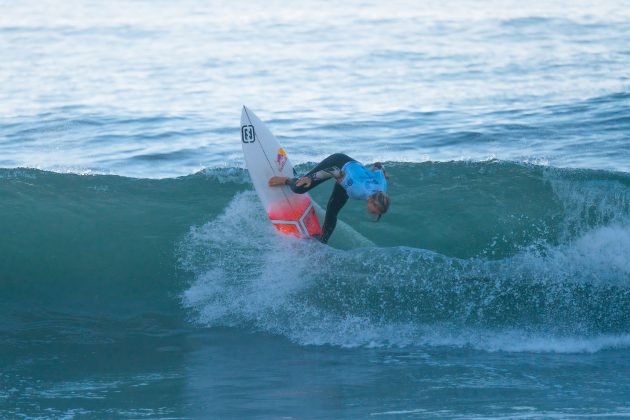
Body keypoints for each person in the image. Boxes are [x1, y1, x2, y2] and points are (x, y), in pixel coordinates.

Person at [268, 153, 390, 243]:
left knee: (332, 211)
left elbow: (379, 166)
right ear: (371, 201)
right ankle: (286, 180)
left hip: (352, 171)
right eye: (373, 211)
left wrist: (383, 171)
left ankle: (322, 242)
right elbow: (335, 172)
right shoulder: (357, 189)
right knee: (300, 188)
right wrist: (311, 178)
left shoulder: (382, 187)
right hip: (337, 163)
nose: (371, 212)